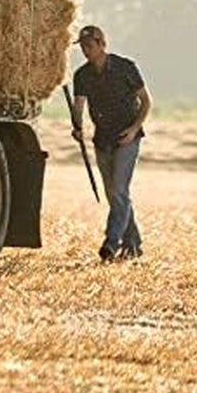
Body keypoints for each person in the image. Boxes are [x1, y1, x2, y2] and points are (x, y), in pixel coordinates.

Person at [70, 25, 151, 261]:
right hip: (102, 139)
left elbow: (146, 101)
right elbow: (79, 105)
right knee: (115, 195)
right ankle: (133, 245)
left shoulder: (125, 67)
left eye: (90, 45)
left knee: (118, 191)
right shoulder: (82, 75)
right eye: (83, 46)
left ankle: (111, 243)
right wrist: (77, 126)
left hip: (127, 137)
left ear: (102, 44)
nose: (86, 50)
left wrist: (134, 129)